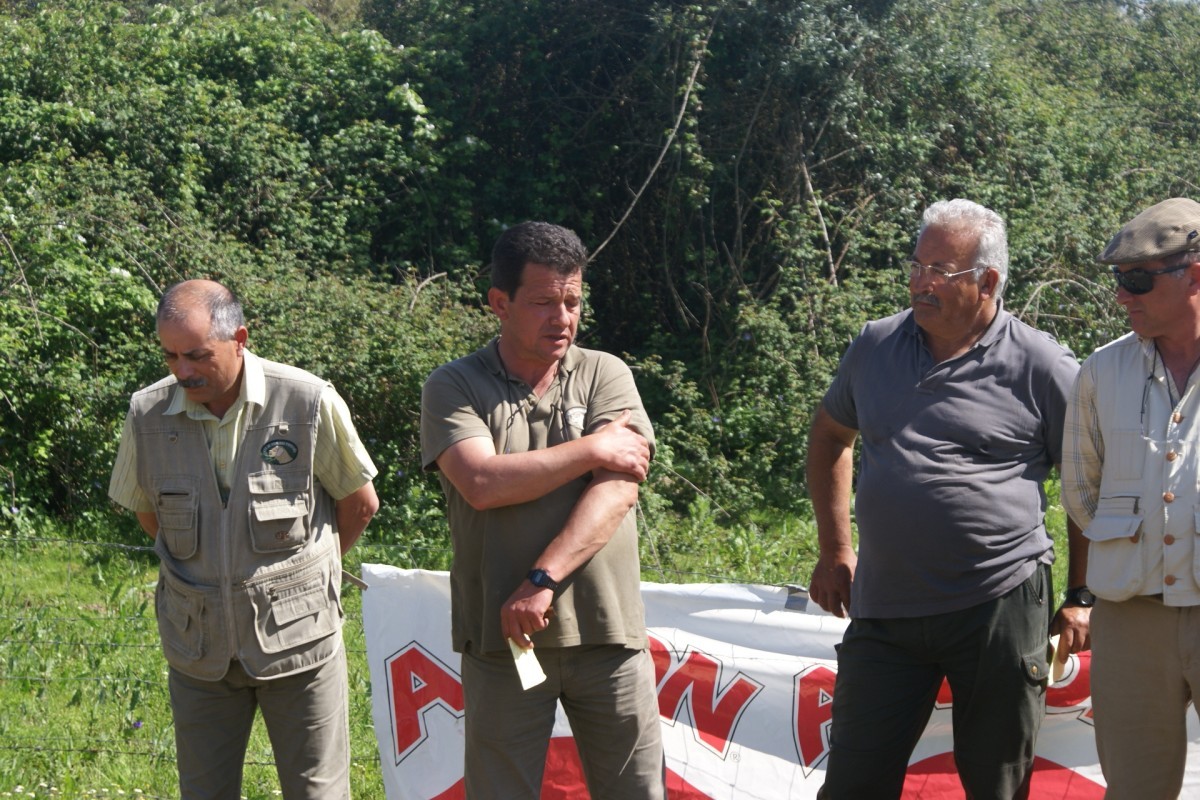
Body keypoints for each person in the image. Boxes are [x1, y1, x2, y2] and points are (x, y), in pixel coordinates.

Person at [806, 199, 1090, 799]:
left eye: (940, 270)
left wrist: (1081, 597)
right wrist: (835, 550)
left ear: (987, 282)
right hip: (884, 605)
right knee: (853, 783)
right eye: (916, 265)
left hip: (999, 602)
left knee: (996, 784)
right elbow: (830, 435)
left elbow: (1087, 484)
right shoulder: (876, 345)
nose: (920, 282)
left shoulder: (1042, 364)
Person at [420, 221, 665, 799]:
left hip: (608, 632)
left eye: (573, 302)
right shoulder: (454, 385)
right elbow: (482, 482)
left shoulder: (606, 373)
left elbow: (618, 490)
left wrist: (541, 581)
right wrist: (593, 448)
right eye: (543, 303)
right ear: (499, 303)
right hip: (504, 642)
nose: (562, 318)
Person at [108, 280, 379, 799]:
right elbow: (148, 512)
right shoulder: (147, 413)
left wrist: (296, 582)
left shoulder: (306, 400)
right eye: (170, 356)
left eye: (197, 355)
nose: (182, 371)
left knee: (317, 792)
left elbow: (359, 504)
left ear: (240, 339)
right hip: (199, 649)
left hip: (299, 647)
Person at [1061, 197, 1200, 799]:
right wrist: (1133, 554)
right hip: (1130, 620)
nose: (1122, 296)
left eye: (1137, 280)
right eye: (1118, 280)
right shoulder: (1101, 371)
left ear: (1195, 275)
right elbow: (1080, 491)